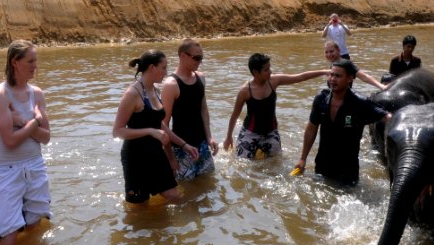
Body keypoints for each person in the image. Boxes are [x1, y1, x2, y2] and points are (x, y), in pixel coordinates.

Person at [0, 40, 51, 245]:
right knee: (8, 238)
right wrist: (35, 123)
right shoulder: (0, 95)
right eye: (30, 61)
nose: (35, 66)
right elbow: (10, 141)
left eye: (37, 61)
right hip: (6, 169)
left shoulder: (37, 93)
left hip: (35, 165)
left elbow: (47, 137)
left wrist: (23, 122)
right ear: (15, 62)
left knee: (35, 229)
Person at [294, 60, 392, 184]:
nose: (332, 79)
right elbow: (312, 128)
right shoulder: (321, 99)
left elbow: (388, 117)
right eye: (331, 75)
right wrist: (303, 159)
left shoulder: (360, 103)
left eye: (338, 76)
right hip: (322, 165)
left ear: (350, 79)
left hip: (347, 171)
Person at [223, 53, 328, 159]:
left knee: (276, 165)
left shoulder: (273, 81)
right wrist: (228, 137)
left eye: (270, 68)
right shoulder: (245, 91)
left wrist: (324, 72)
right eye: (266, 70)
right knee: (241, 163)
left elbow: (300, 77)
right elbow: (235, 115)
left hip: (271, 132)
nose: (270, 72)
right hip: (250, 133)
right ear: (255, 72)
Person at [112, 50, 181, 204]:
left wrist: (171, 156)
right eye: (163, 68)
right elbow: (117, 131)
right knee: (140, 209)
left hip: (156, 153)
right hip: (135, 157)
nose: (166, 72)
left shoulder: (155, 90)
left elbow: (160, 126)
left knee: (174, 197)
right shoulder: (132, 94)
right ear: (152, 68)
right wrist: (150, 131)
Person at [161, 39, 217, 181]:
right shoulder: (171, 85)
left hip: (202, 145)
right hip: (181, 149)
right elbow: (163, 125)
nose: (200, 62)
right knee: (186, 191)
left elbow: (203, 109)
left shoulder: (201, 78)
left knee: (208, 185)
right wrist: (170, 157)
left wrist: (209, 137)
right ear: (183, 56)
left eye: (201, 58)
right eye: (197, 58)